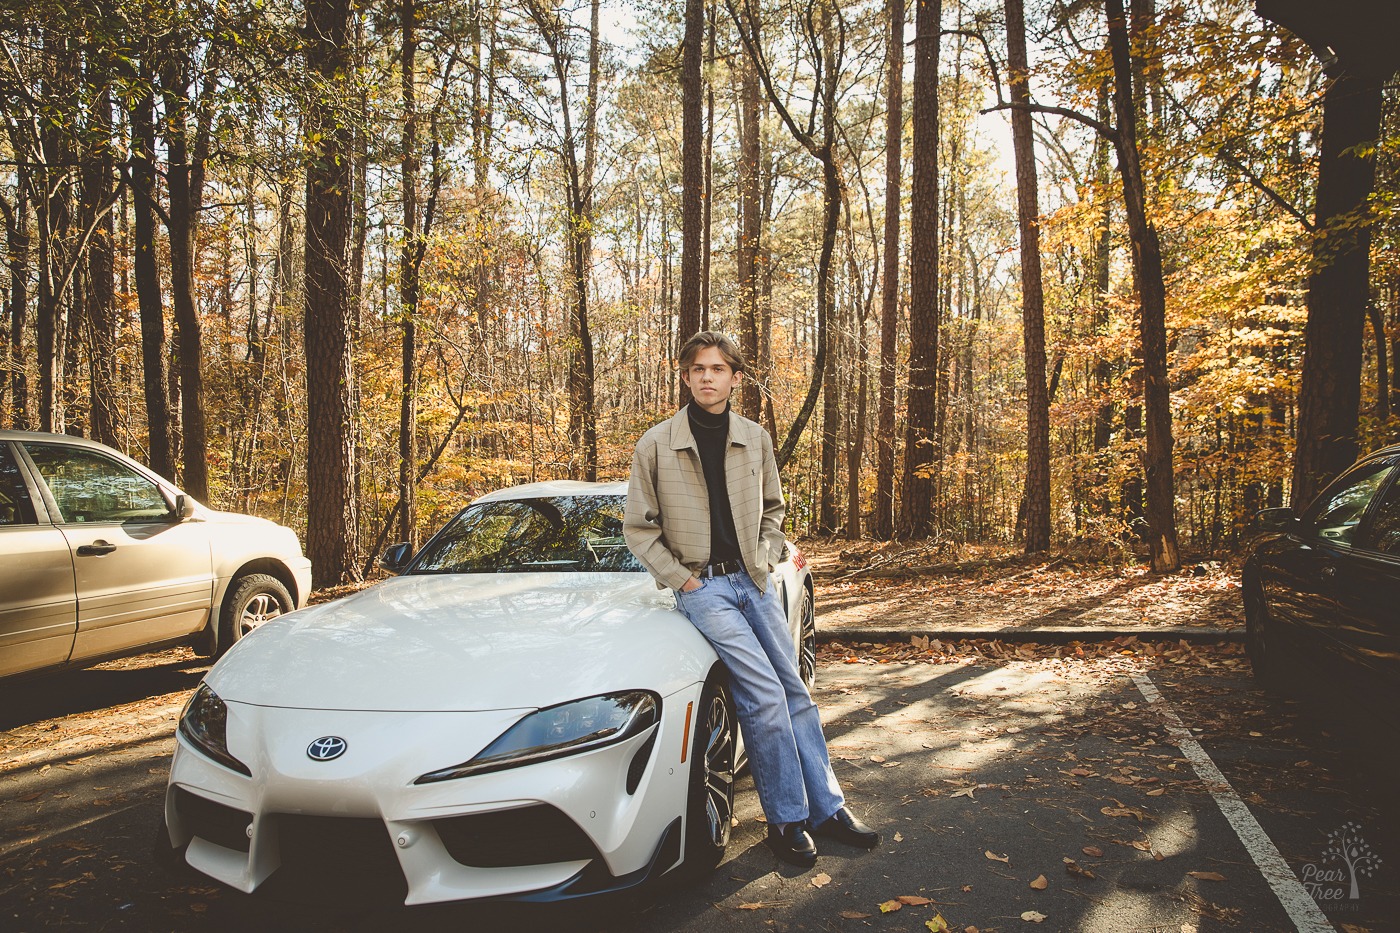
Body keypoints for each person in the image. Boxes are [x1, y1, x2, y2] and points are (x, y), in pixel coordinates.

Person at [623, 330, 879, 868]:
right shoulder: (656, 444)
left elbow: (773, 510)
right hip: (705, 588)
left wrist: (763, 558)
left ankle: (827, 809)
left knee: (795, 691)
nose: (708, 377)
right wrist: (684, 581)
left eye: (718, 369)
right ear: (686, 376)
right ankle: (786, 819)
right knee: (763, 695)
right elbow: (639, 530)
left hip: (754, 580)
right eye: (698, 369)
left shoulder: (754, 437)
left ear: (735, 377)